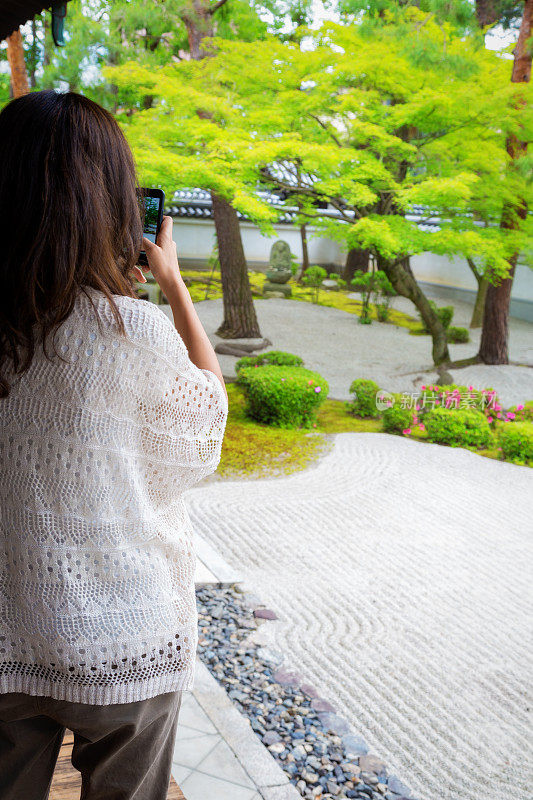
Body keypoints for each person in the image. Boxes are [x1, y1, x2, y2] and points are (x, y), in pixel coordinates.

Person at [0, 90, 228, 800]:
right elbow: (203, 432)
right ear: (110, 201)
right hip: (127, 642)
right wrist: (173, 288)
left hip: (6, 638)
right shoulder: (131, 333)